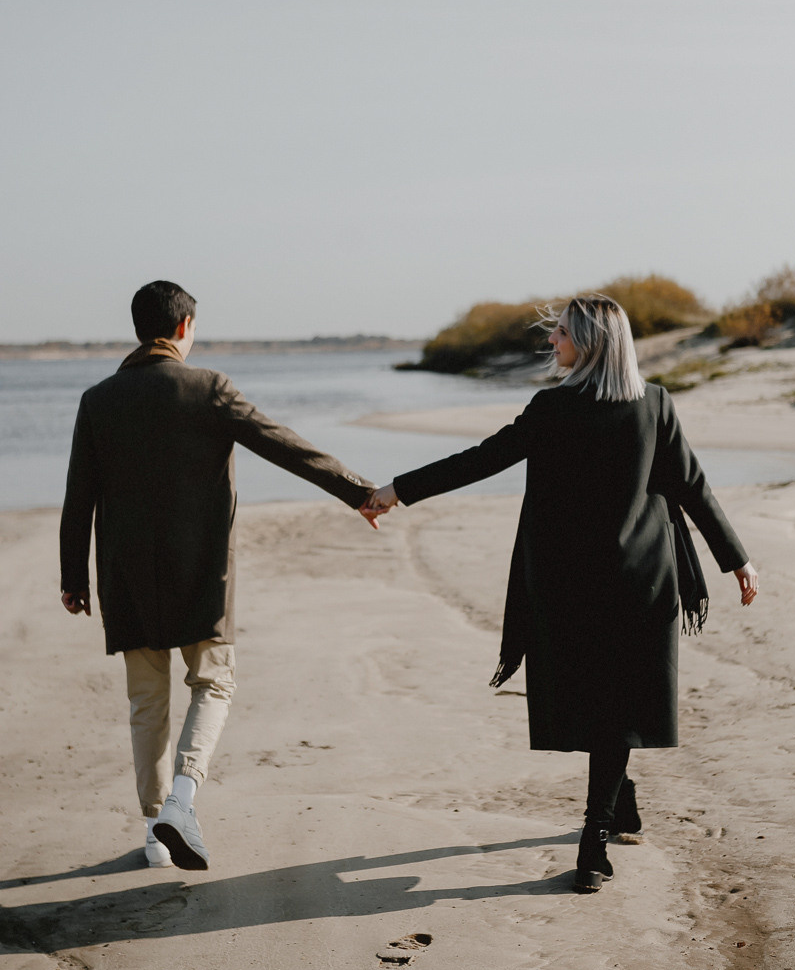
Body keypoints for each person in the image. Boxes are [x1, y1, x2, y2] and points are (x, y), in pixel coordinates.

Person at [367, 294, 758, 892]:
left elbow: (482, 461)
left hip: (569, 587)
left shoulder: (556, 408)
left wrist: (398, 489)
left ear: (591, 344)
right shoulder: (653, 405)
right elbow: (693, 488)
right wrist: (738, 560)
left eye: (563, 335)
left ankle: (592, 842)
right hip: (642, 583)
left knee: (607, 707)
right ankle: (620, 802)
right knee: (611, 707)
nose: (553, 343)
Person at [60, 280, 378, 871]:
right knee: (214, 683)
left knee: (145, 702)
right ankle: (181, 800)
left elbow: (79, 495)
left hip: (126, 575)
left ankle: (157, 831)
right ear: (184, 328)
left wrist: (73, 577)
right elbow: (282, 445)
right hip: (201, 568)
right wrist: (356, 491)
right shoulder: (208, 388)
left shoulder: (97, 399)